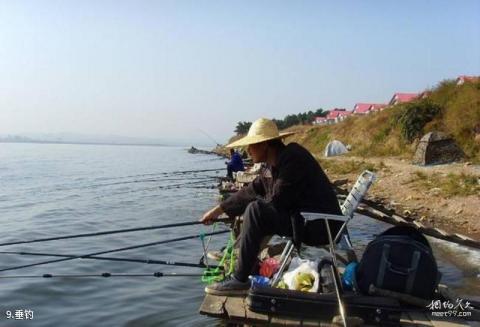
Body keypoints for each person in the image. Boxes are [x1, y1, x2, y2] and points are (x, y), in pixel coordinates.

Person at [200, 118, 342, 296]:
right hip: (304, 221)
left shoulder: (293, 157)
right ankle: (247, 265)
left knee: (255, 210)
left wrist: (252, 211)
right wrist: (219, 210)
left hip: (321, 226)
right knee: (255, 208)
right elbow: (253, 190)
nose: (247, 150)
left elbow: (278, 200)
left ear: (264, 145)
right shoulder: (273, 163)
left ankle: (239, 279)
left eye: (251, 145)